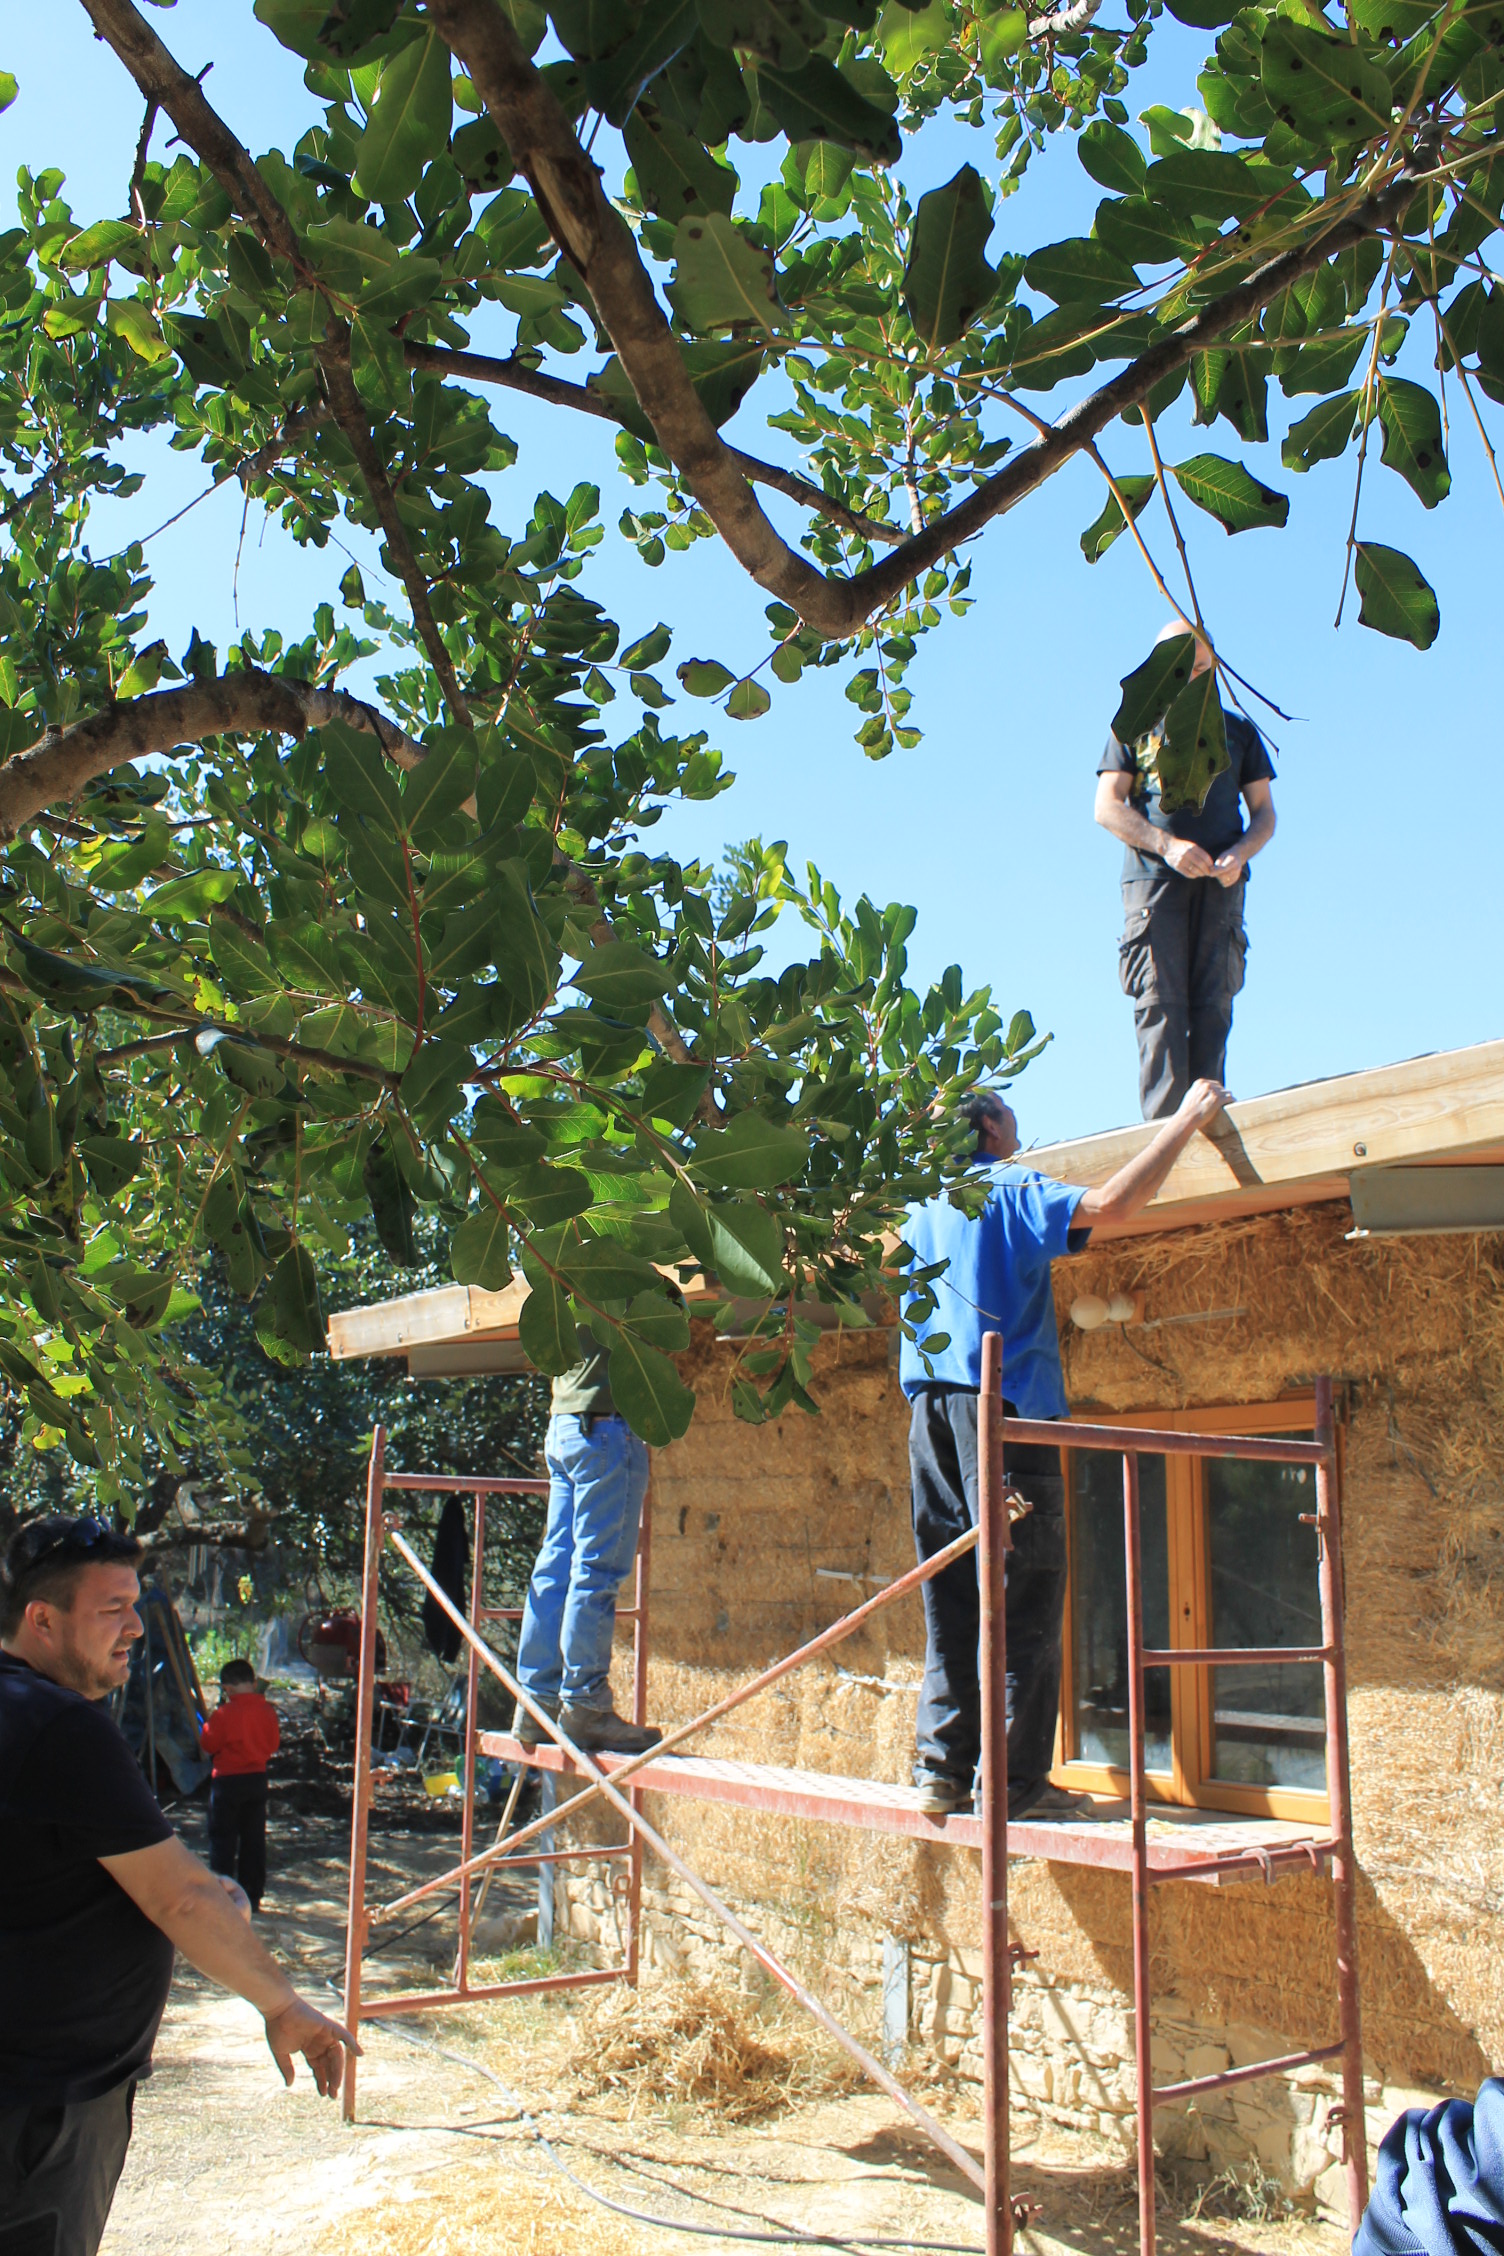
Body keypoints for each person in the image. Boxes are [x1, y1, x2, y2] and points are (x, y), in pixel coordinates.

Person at [0, 1516, 355, 2256]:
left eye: (135, 1604)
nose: (134, 1628)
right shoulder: (61, 1727)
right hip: (42, 2109)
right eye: (111, 1610)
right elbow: (178, 1899)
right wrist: (284, 2004)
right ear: (41, 1619)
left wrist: (196, 1889)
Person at [899, 1078, 1229, 1818]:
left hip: (930, 1416)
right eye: (1010, 1114)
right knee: (1025, 1592)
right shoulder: (1007, 1187)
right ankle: (1015, 1786)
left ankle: (942, 1771)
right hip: (1004, 1411)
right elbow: (1112, 1206)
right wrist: (1185, 1121)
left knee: (951, 1590)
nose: (1019, 1126)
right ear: (987, 1124)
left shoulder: (923, 1207)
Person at [1094, 624, 1276, 1120]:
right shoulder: (1131, 726)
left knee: (1214, 1005)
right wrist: (1166, 846)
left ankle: (1208, 1125)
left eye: (1198, 666)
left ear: (1213, 664)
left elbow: (1265, 814)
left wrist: (1239, 854)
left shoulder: (1237, 731)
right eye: (1178, 667)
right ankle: (1161, 1141)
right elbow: (1106, 806)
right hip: (1155, 884)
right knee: (1160, 1008)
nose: (1190, 676)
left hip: (1222, 885)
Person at [513, 1330, 660, 1755]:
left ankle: (536, 1699)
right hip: (607, 1426)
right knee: (597, 1568)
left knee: (556, 1563)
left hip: (565, 1425)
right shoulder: (621, 1266)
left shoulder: (560, 1265)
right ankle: (585, 1704)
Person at [199, 1655, 280, 1914]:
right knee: (254, 1840)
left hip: (227, 1781)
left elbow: (208, 1744)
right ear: (253, 1683)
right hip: (257, 1779)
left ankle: (222, 1896)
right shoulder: (267, 1711)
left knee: (223, 1840)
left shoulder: (224, 1714)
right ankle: (253, 1897)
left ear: (227, 1689)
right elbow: (273, 1744)